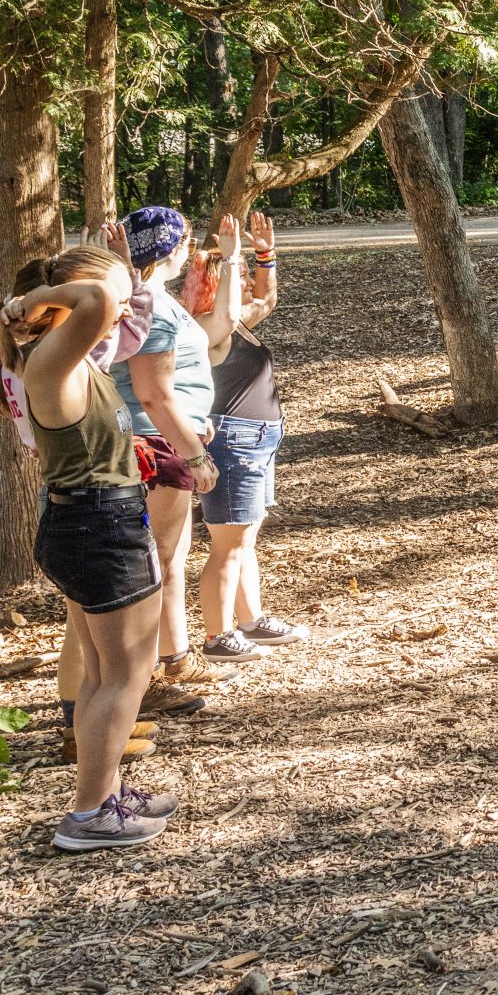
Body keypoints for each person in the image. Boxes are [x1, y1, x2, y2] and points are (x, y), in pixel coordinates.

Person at [0, 243, 183, 851]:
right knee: (128, 673)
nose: (120, 309)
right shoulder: (52, 365)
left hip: (90, 524)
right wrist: (31, 300)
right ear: (60, 310)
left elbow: (116, 310)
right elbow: (98, 300)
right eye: (112, 298)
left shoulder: (72, 359)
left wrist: (130, 277)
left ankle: (105, 794)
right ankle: (90, 813)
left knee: (105, 672)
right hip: (99, 527)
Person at [110, 207, 230, 698]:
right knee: (156, 556)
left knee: (171, 553)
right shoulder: (152, 307)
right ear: (172, 248)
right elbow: (153, 394)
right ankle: (147, 674)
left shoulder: (153, 300)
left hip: (168, 440)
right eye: (185, 241)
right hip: (153, 446)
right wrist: (194, 454)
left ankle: (174, 658)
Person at [188, 213, 307, 662]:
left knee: (244, 539)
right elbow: (231, 308)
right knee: (227, 544)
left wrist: (265, 255)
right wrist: (232, 256)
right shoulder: (207, 327)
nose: (246, 285)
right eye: (236, 278)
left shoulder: (235, 323)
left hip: (256, 441)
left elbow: (268, 298)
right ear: (217, 285)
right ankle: (218, 638)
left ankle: (251, 621)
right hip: (233, 443)